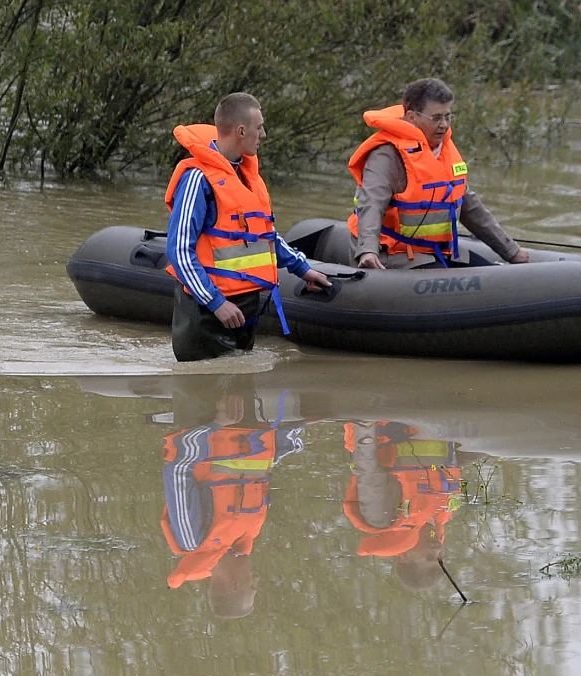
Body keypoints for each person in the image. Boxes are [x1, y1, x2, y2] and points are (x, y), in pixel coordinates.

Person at [164, 92, 331, 361]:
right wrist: (217, 303)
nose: (263, 134)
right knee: (207, 396)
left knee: (241, 391)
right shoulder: (198, 180)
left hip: (243, 308)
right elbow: (180, 252)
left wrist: (301, 268)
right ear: (241, 131)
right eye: (259, 127)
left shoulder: (247, 176)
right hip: (207, 313)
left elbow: (264, 235)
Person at [348, 78, 530, 270]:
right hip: (390, 251)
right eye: (436, 118)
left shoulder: (444, 151)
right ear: (411, 117)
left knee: (489, 272)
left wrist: (511, 251)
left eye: (448, 117)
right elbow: (371, 204)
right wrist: (368, 250)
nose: (444, 125)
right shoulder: (387, 154)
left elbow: (470, 207)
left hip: (433, 251)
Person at [160, 389, 306, 617]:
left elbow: (177, 471)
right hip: (252, 417)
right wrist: (294, 428)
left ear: (233, 586)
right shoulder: (246, 535)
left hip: (204, 415)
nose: (257, 578)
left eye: (253, 586)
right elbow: (260, 468)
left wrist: (216, 424)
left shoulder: (193, 540)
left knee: (200, 363)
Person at [342, 420, 464, 589]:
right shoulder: (442, 513)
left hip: (390, 415)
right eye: (441, 555)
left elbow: (366, 467)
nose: (437, 549)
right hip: (439, 418)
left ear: (404, 556)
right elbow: (456, 460)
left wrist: (364, 422)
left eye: (429, 556)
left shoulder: (382, 518)